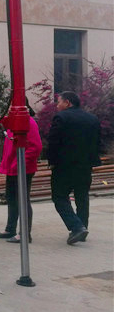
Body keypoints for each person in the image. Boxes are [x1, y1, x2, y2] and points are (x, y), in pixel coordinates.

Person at [47, 91, 102, 245]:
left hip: (64, 166)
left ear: (68, 102)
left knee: (59, 197)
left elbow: (53, 142)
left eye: (59, 102)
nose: (57, 106)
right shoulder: (92, 118)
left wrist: (52, 161)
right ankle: (82, 229)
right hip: (85, 166)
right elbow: (97, 142)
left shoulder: (61, 117)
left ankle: (77, 227)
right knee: (82, 197)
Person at [0, 106, 42, 243]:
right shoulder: (14, 122)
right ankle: (10, 229)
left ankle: (25, 233)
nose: (8, 110)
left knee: (22, 200)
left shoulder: (28, 122)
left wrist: (19, 164)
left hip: (22, 168)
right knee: (12, 198)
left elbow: (36, 147)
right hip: (13, 167)